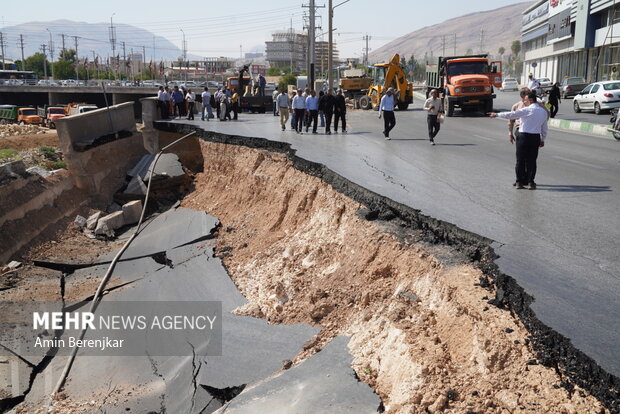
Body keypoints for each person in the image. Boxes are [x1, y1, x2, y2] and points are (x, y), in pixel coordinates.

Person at [488, 90, 548, 190]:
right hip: (535, 137)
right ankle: (530, 182)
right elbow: (544, 127)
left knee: (520, 160)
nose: (524, 102)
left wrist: (497, 114)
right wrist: (543, 139)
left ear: (530, 100)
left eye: (525, 100)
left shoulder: (528, 110)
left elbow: (512, 114)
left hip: (523, 136)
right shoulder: (543, 112)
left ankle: (519, 182)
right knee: (532, 160)